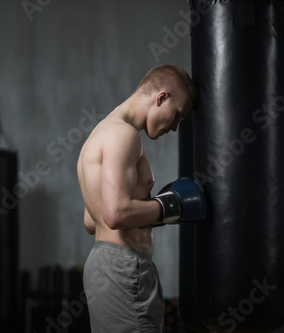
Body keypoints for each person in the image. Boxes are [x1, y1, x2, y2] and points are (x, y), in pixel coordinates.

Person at [76, 64, 205, 332]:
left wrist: (162, 211)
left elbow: (92, 220)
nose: (175, 127)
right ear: (161, 97)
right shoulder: (123, 135)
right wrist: (172, 205)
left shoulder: (101, 133)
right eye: (178, 115)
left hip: (107, 265)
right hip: (124, 269)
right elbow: (115, 215)